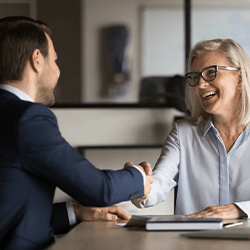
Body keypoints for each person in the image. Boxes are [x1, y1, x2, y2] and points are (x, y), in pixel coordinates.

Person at [0, 16, 154, 250]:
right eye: (55, 60)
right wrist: (140, 178)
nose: (58, 70)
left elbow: (11, 208)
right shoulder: (28, 117)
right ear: (37, 60)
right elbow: (99, 190)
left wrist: (75, 213)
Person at [132, 38, 250, 219]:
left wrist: (238, 209)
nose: (201, 85)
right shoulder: (182, 134)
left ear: (240, 78)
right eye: (195, 77)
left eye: (211, 73)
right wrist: (138, 184)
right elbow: (157, 187)